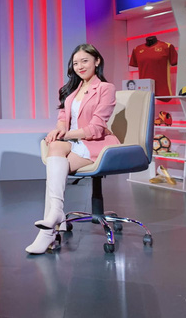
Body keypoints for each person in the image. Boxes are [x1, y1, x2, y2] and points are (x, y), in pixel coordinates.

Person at [26, 44, 120, 254]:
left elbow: (96, 129)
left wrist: (65, 135)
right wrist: (58, 130)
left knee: (54, 172)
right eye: (76, 63)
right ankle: (55, 215)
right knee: (55, 151)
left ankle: (48, 233)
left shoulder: (106, 88)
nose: (80, 66)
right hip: (73, 142)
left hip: (95, 143)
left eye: (85, 61)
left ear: (97, 61)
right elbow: (62, 118)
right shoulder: (71, 91)